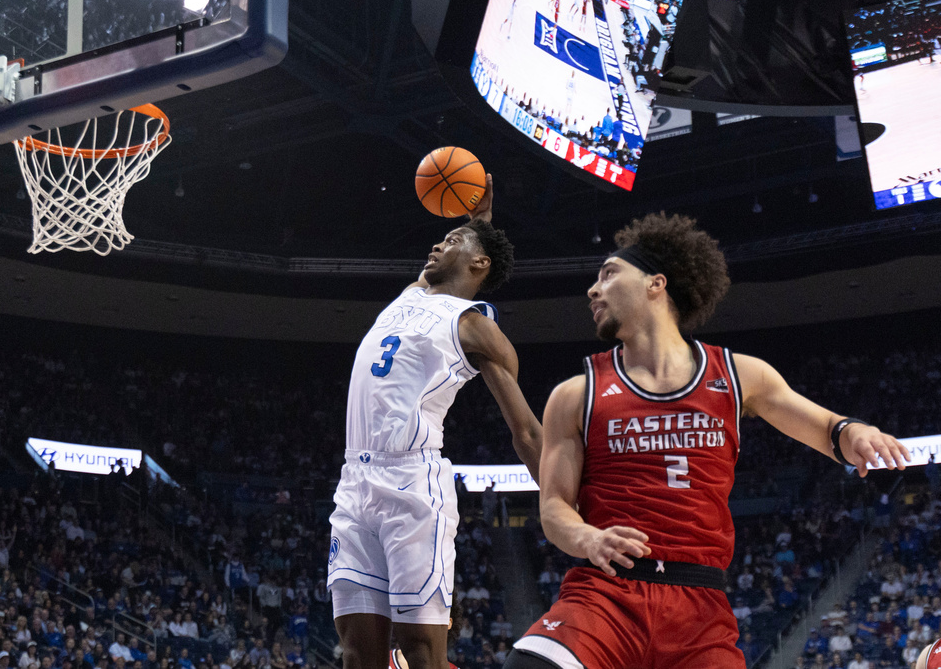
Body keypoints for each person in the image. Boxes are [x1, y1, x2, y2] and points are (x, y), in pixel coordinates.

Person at [502, 212, 910, 669]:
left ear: (656, 284)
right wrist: (586, 537)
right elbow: (554, 505)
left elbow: (825, 427)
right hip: (605, 594)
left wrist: (853, 432)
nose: (593, 290)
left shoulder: (740, 375)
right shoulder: (575, 393)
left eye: (609, 274)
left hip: (699, 608)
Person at [328, 174, 542, 669]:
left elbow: (526, 429)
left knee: (419, 648)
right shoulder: (412, 294)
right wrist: (479, 222)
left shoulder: (473, 326)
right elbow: (466, 259)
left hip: (411, 483)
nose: (436, 243)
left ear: (478, 263)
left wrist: (564, 500)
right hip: (354, 480)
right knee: (357, 651)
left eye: (451, 241)